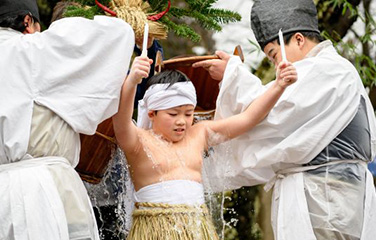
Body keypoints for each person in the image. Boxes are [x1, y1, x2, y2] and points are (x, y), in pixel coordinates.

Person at [193, 0, 376, 239]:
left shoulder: (328, 71)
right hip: (332, 198)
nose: (275, 64)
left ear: (299, 40)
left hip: (327, 201)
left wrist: (233, 76)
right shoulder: (335, 71)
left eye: (273, 54)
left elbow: (271, 115)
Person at [0, 0, 135, 239]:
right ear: (27, 22)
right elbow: (117, 34)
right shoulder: (30, 49)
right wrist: (130, 18)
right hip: (38, 192)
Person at [112, 51, 297, 239]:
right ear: (152, 114)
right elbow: (121, 120)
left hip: (197, 228)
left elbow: (247, 119)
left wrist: (279, 85)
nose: (182, 121)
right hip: (152, 228)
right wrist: (132, 81)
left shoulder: (199, 134)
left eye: (188, 113)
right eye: (173, 114)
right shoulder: (138, 141)